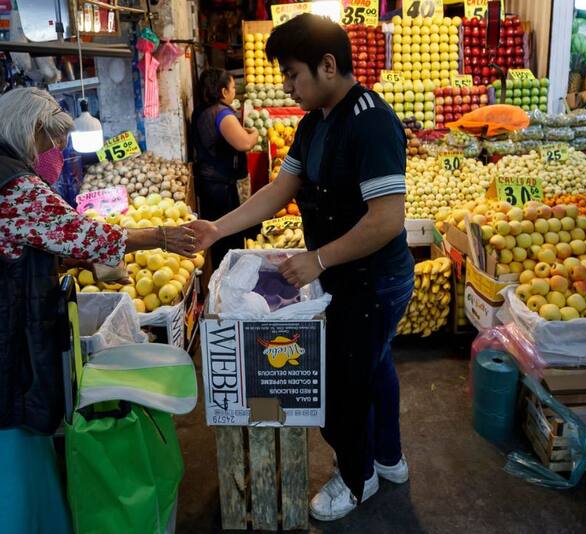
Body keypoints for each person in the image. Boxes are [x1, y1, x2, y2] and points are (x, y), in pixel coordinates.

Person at [0, 87, 197, 534]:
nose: (56, 157)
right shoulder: (11, 186)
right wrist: (160, 237)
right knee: (1, 487)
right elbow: (81, 234)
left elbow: (5, 247)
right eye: (52, 145)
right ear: (30, 132)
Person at [188, 14, 413, 522]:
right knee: (375, 368)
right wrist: (217, 229)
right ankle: (389, 458)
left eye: (292, 73)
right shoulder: (316, 124)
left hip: (373, 279)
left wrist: (318, 258)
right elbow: (278, 190)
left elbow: (386, 220)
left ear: (327, 65)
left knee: (343, 384)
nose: (287, 84)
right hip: (346, 277)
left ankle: (358, 479)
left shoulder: (371, 122)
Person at [192, 67, 260, 269]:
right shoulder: (222, 113)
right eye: (231, 88)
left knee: (217, 236)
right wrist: (254, 133)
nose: (233, 92)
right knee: (228, 237)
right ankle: (230, 279)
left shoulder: (200, 111)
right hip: (221, 187)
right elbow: (244, 144)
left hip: (209, 183)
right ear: (223, 92)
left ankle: (221, 276)